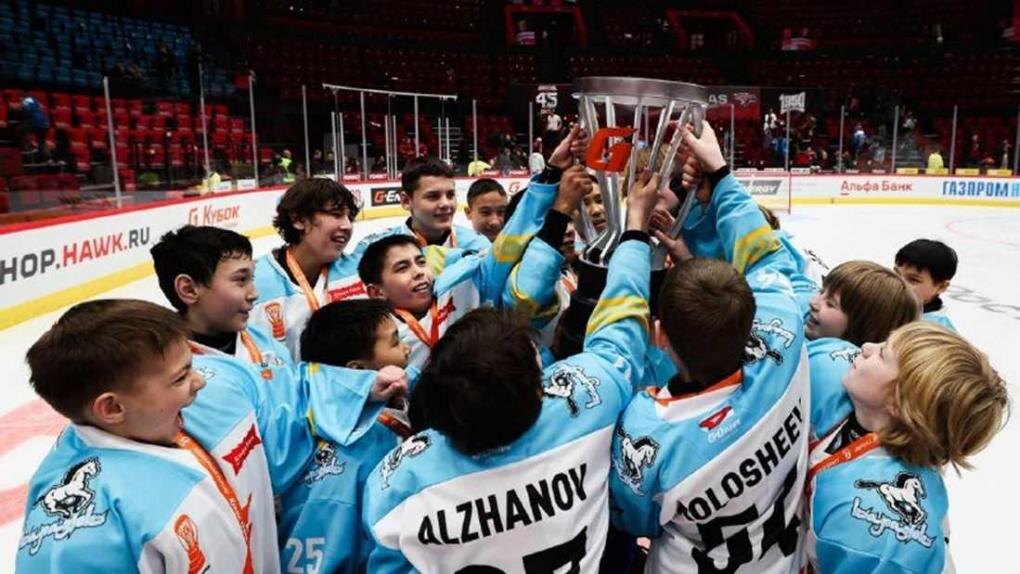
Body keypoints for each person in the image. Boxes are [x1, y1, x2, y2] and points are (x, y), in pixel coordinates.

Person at [361, 169, 662, 573]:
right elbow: (619, 334)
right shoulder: (584, 413)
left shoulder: (395, 481)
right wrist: (635, 230)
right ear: (538, 390)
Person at [15, 299, 404, 573]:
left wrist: (365, 386)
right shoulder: (79, 526)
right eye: (181, 377)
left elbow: (286, 390)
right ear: (113, 408)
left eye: (192, 365)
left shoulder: (218, 388)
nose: (200, 381)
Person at [610, 121, 811, 572]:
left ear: (659, 336)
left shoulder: (649, 428)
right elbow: (767, 259)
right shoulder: (785, 342)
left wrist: (632, 232)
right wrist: (719, 175)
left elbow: (631, 518)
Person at [805, 322, 1008, 573]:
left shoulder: (876, 535)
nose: (866, 347)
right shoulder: (840, 386)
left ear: (900, 404)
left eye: (882, 354)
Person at [278, 299, 413, 573]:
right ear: (357, 370)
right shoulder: (345, 463)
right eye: (395, 342)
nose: (407, 348)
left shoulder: (376, 411)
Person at [151, 225, 293, 373]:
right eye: (241, 279)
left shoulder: (266, 344)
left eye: (252, 278)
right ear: (189, 290)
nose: (254, 294)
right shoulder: (165, 369)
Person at [250, 178, 365, 358]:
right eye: (336, 214)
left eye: (350, 217)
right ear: (298, 220)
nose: (347, 226)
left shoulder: (358, 271)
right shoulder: (255, 283)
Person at [352, 158, 491, 255]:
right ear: (406, 201)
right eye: (433, 196)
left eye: (450, 195)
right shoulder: (374, 250)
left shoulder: (478, 246)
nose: (446, 203)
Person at [894, 239, 958, 331]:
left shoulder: (934, 332)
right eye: (896, 274)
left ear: (941, 287)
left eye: (913, 280)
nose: (899, 282)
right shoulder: (883, 303)